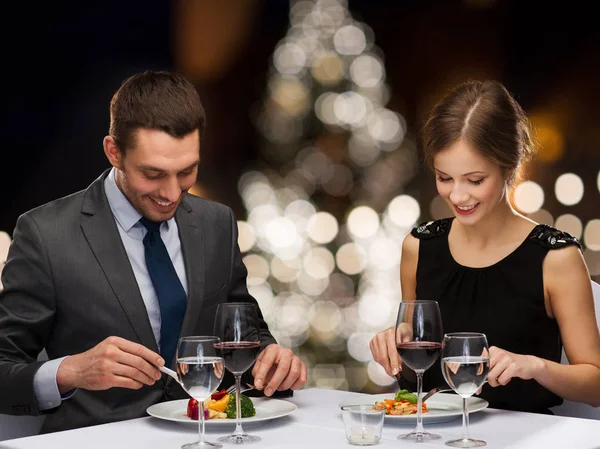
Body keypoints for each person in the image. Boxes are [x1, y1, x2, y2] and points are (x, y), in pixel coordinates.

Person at [0, 70, 307, 433]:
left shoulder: (217, 223)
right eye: (153, 174)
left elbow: (245, 333)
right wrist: (71, 371)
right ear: (114, 152)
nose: (172, 193)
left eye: (187, 171)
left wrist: (271, 362)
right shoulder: (46, 234)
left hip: (210, 436)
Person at [370, 80, 600, 414]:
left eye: (475, 180)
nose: (458, 196)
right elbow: (416, 370)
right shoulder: (418, 247)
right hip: (430, 436)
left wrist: (536, 367)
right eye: (444, 178)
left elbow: (595, 386)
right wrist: (395, 341)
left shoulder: (556, 258)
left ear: (510, 167)